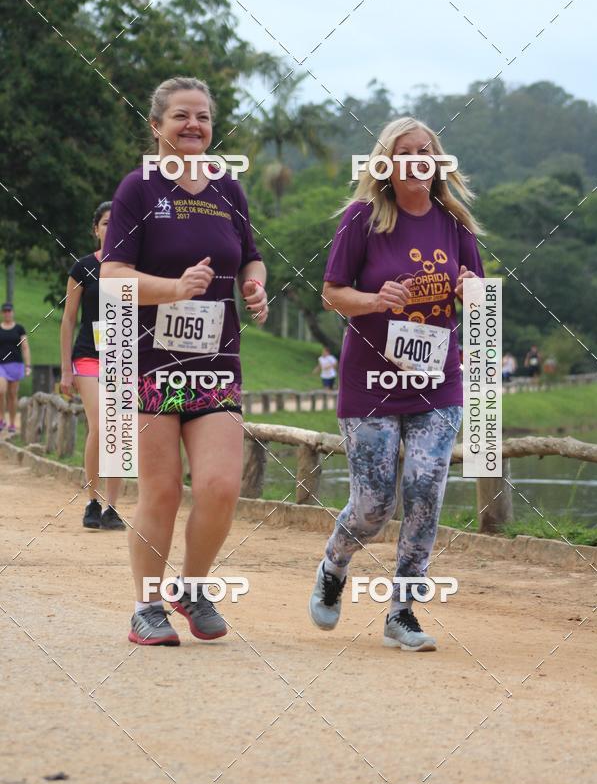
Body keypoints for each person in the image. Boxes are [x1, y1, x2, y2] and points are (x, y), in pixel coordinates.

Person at [102, 76, 267, 646]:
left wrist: (253, 286)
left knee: (220, 485)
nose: (193, 125)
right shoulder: (138, 189)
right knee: (163, 490)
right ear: (157, 126)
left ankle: (192, 588)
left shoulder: (227, 188)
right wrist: (173, 289)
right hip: (149, 361)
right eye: (180, 116)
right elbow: (113, 275)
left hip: (216, 362)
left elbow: (250, 257)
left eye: (202, 116)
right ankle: (146, 607)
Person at [308, 116, 484, 651]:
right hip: (371, 382)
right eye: (405, 152)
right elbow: (332, 293)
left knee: (425, 489)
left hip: (437, 382)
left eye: (425, 151)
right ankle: (335, 564)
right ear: (386, 163)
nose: (416, 161)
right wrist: (375, 300)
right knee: (374, 504)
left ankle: (402, 611)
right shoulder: (362, 219)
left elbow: (480, 305)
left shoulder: (455, 224)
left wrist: (472, 291)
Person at [60, 203, 125, 530]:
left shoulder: (135, 267)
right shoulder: (83, 267)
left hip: (124, 358)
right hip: (88, 356)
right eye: (105, 223)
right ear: (95, 229)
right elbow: (68, 319)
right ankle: (92, 501)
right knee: (101, 425)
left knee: (120, 431)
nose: (111, 228)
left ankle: (112, 507)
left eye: (117, 222)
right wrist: (65, 369)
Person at [0, 303, 31, 434]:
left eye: (9, 311)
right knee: (1, 391)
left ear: (13, 312)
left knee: (13, 395)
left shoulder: (19, 329)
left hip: (16, 364)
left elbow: (25, 347)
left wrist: (28, 365)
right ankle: (1, 418)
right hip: (1, 365)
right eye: (5, 311)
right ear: (2, 313)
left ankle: (12, 422)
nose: (7, 313)